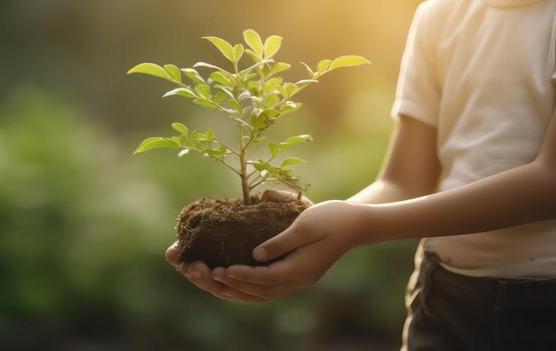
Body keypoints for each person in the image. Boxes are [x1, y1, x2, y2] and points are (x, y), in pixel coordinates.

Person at [166, 0, 556, 349]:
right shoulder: (440, 14)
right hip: (443, 293)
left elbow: (549, 181)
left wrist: (361, 224)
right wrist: (318, 224)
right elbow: (403, 182)